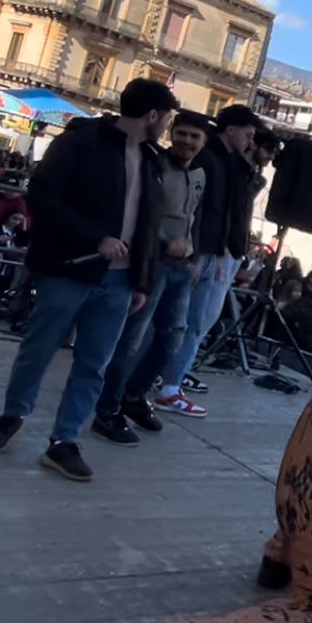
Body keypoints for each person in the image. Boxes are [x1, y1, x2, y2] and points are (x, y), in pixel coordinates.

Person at [0, 78, 176, 482]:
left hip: (119, 284)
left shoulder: (154, 161)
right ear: (152, 115)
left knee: (94, 364)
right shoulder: (80, 143)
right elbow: (44, 198)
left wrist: (141, 282)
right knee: (39, 348)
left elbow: (149, 225)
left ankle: (64, 441)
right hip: (69, 270)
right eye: (167, 117)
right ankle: (12, 416)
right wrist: (94, 238)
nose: (167, 126)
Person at [89, 113, 208, 445]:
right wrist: (160, 245)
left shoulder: (200, 175)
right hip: (152, 264)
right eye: (181, 134)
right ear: (171, 132)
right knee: (130, 342)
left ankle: (134, 395)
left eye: (194, 137)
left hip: (182, 270)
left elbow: (194, 217)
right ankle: (107, 410)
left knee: (171, 339)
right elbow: (139, 215)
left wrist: (195, 255)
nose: (186, 141)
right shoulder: (153, 166)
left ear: (203, 142)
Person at [148, 104, 265, 417]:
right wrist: (204, 253)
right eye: (248, 134)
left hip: (216, 251)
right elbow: (204, 211)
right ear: (231, 130)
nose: (251, 141)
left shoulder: (231, 163)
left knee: (194, 322)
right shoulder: (211, 162)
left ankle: (169, 380)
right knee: (193, 321)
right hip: (207, 254)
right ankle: (169, 386)